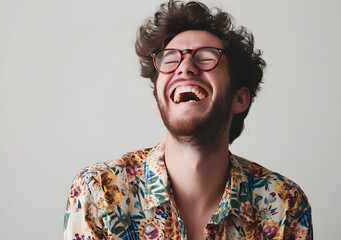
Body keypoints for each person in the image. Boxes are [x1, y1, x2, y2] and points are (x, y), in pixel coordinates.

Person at [63, 1, 313, 239]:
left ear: (239, 99)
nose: (184, 67)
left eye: (206, 57)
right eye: (170, 60)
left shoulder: (283, 204)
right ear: (161, 105)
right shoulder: (100, 192)